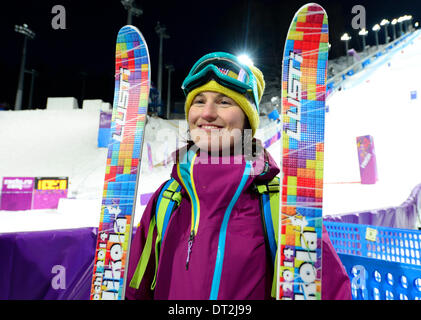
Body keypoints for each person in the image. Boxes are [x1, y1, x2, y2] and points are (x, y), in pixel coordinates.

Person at [126, 52, 351, 300]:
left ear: (247, 119)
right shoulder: (167, 199)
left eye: (224, 102)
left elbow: (329, 291)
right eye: (199, 101)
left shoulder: (281, 204)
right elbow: (135, 290)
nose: (208, 113)